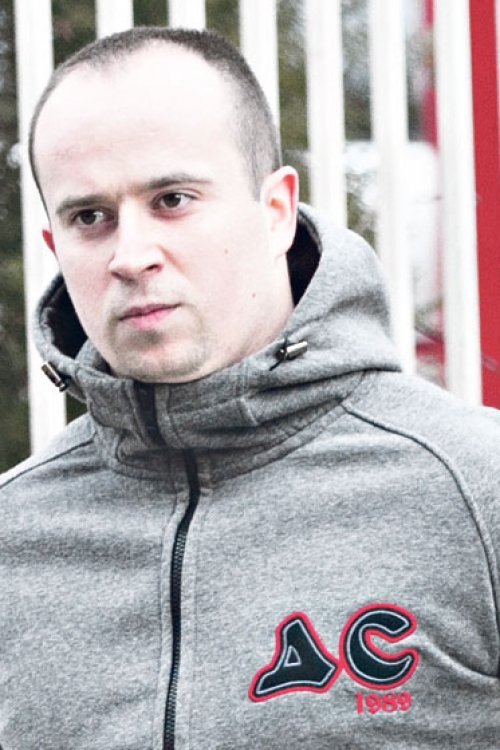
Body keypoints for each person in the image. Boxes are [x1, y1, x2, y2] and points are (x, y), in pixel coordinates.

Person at [1, 25, 500, 750]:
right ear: (56, 244)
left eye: (172, 199)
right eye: (90, 217)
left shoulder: (478, 489)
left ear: (275, 213)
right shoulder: (14, 534)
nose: (130, 256)